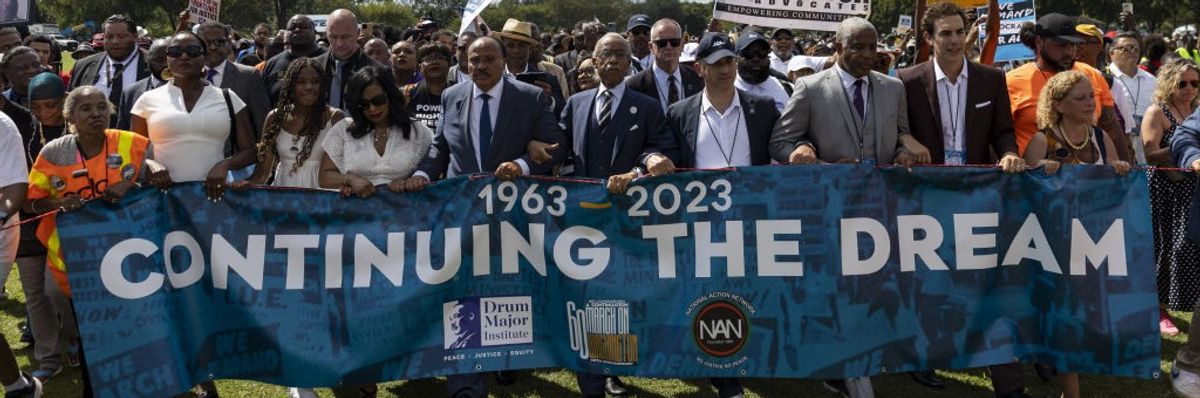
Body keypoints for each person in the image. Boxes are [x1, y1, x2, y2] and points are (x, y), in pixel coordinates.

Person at [895, 2, 1026, 394]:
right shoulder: (905, 80)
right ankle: (928, 357)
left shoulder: (991, 78)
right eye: (945, 34)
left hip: (977, 197)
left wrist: (1008, 152)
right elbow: (896, 134)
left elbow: (1002, 131)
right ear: (929, 39)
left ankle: (1004, 375)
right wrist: (905, 143)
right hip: (927, 200)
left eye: (959, 32)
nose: (955, 41)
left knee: (987, 283)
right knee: (932, 281)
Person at [550, 32, 675, 397]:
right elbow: (559, 146)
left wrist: (644, 165)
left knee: (621, 295)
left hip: (629, 219)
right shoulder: (576, 104)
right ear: (594, 58)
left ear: (629, 61)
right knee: (587, 296)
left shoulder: (647, 106)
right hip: (583, 220)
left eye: (621, 54)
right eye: (607, 54)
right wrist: (536, 152)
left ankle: (615, 366)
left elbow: (661, 148)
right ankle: (592, 378)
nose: (615, 60)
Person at [25, 86, 171, 398]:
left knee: (136, 324)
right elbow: (31, 204)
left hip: (129, 252)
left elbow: (151, 175)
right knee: (94, 328)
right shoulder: (53, 152)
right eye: (86, 109)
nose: (95, 114)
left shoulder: (131, 142)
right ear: (70, 116)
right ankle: (95, 386)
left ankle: (149, 381)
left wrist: (136, 180)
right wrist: (60, 202)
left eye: (101, 107)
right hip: (76, 258)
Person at [662, 32, 780, 398]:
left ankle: (744, 358)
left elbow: (782, 149)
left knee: (748, 292)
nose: (726, 69)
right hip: (699, 225)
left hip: (750, 221)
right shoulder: (679, 113)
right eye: (716, 64)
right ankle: (722, 369)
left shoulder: (762, 108)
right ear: (700, 69)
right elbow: (661, 154)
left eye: (730, 61)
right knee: (711, 295)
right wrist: (650, 159)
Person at [772, 18, 930, 168]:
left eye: (872, 47)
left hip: (882, 191)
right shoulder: (810, 88)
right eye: (858, 47)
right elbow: (779, 143)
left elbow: (901, 136)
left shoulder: (894, 88)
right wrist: (822, 166)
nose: (868, 55)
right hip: (832, 191)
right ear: (839, 48)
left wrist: (902, 154)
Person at [130, 30, 256, 200]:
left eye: (192, 51)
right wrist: (151, 164)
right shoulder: (146, 100)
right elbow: (133, 153)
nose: (183, 57)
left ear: (204, 57)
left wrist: (225, 165)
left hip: (214, 197)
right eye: (175, 52)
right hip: (163, 200)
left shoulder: (227, 98)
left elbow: (249, 151)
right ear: (167, 58)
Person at [14, 72, 75, 383]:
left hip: (62, 224)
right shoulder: (21, 128)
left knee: (59, 291)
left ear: (64, 102)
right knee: (35, 293)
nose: (43, 113)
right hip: (26, 224)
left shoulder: (78, 132)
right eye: (36, 106)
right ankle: (49, 358)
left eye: (50, 105)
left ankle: (75, 338)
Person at [1005, 14, 1130, 161]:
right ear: (1039, 42)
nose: (1069, 52)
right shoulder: (1012, 81)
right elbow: (1000, 135)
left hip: (1092, 178)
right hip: (1036, 179)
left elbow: (1110, 126)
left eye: (1073, 45)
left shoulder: (1092, 75)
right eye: (1061, 45)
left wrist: (1127, 175)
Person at [1140, 59, 1200, 335]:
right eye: (1182, 83)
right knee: (1165, 248)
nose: (1189, 88)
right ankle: (1157, 308)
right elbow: (1150, 154)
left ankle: (1185, 301)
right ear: (1169, 83)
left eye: (1195, 83)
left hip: (1192, 189)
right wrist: (1181, 144)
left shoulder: (1197, 110)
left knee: (1188, 248)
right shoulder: (1157, 112)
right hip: (1166, 191)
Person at [320, 66, 432, 198]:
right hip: (356, 214)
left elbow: (433, 170)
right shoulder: (343, 129)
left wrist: (410, 181)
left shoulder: (417, 131)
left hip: (405, 212)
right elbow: (325, 176)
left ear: (390, 96)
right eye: (364, 104)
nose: (372, 109)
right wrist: (349, 180)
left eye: (378, 101)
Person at [0, 102, 43, 398]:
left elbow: (16, 187)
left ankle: (19, 387)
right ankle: (19, 386)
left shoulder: (2, 127)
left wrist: (1, 215)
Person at [67, 14, 150, 124]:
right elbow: (71, 108)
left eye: (121, 36)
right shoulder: (83, 66)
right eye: (109, 37)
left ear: (135, 37)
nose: (115, 41)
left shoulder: (152, 65)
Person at [197, 21, 271, 141]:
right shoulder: (187, 77)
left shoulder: (248, 76)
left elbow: (262, 122)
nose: (212, 47)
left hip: (240, 156)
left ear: (229, 43)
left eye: (219, 42)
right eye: (206, 43)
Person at [628, 19, 703, 114]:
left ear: (682, 45)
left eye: (674, 42)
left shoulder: (697, 79)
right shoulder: (634, 86)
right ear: (651, 47)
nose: (668, 47)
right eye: (661, 43)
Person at [316, 10, 384, 112]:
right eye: (333, 37)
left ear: (357, 34)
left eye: (345, 37)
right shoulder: (313, 68)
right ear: (326, 34)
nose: (339, 43)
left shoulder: (381, 72)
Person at [1107, 32, 1156, 166]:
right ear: (1112, 53)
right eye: (1126, 48)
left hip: (1146, 146)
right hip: (1117, 145)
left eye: (1136, 48)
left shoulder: (1152, 80)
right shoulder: (1104, 78)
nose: (1132, 52)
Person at [262, 15, 327, 104]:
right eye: (292, 28)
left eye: (303, 27)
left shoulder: (330, 59)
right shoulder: (272, 63)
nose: (297, 30)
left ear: (315, 32)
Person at [734, 29, 792, 112]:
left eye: (762, 54)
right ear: (736, 58)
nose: (756, 59)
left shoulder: (785, 88)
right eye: (748, 54)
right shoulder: (724, 89)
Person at [116, 39, 168, 130]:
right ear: (149, 59)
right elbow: (124, 133)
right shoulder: (131, 93)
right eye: (160, 59)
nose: (166, 64)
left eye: (169, 58)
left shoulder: (188, 88)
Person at [403, 43, 451, 130]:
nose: (434, 62)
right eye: (428, 59)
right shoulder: (407, 92)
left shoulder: (462, 93)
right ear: (419, 67)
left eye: (440, 58)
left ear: (449, 64)